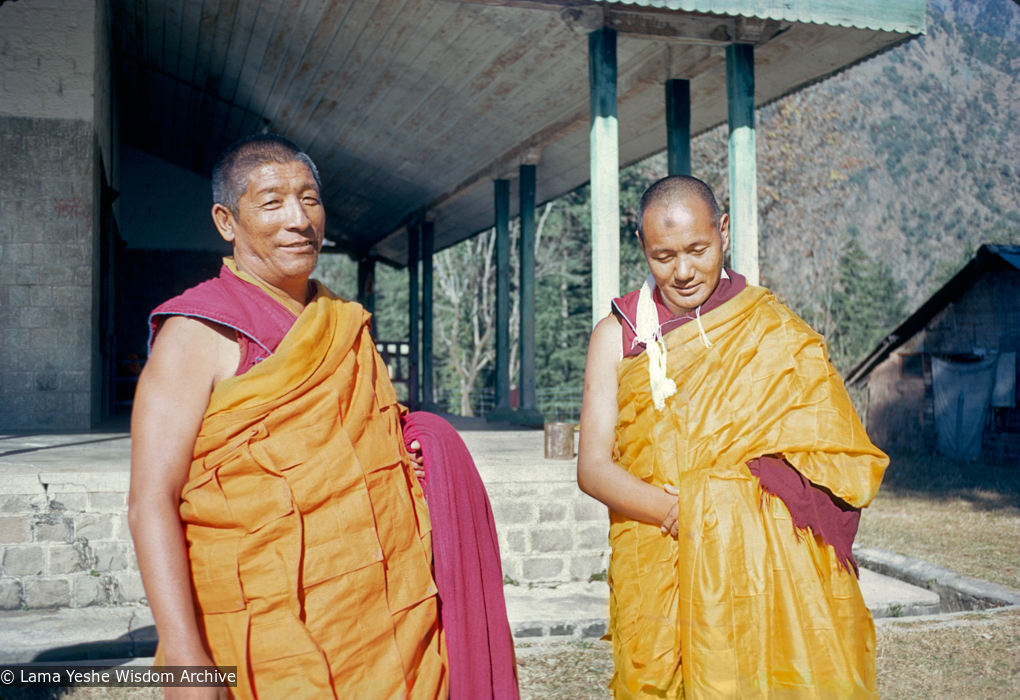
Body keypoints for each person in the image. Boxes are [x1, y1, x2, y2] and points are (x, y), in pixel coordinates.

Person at [129, 135, 447, 700]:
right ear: (227, 221)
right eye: (272, 203)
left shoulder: (344, 323)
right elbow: (151, 498)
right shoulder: (198, 333)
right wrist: (181, 652)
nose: (298, 220)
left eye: (310, 199)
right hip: (266, 623)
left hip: (382, 618)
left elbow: (365, 443)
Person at [577, 175, 888, 699]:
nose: (682, 271)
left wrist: (724, 499)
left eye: (698, 250)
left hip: (765, 570)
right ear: (642, 247)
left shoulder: (771, 328)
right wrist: (676, 510)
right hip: (658, 553)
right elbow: (592, 467)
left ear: (723, 231)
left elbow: (838, 453)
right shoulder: (618, 335)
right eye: (663, 255)